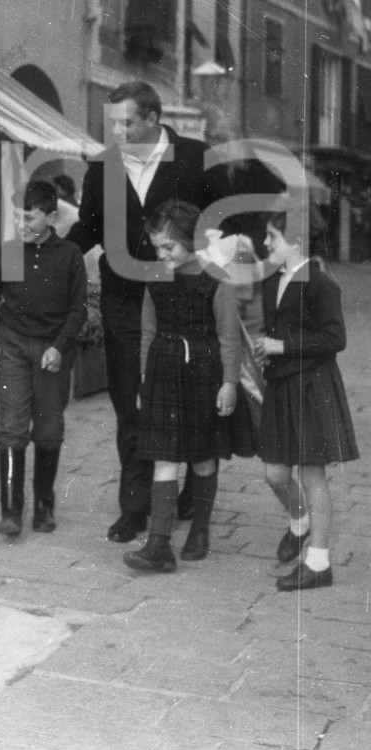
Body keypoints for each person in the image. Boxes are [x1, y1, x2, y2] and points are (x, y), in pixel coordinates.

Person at [66, 81, 216, 543]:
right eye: (113, 123)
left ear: (153, 119)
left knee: (189, 399)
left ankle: (191, 489)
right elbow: (88, 228)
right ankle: (135, 504)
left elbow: (222, 227)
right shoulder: (102, 167)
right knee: (130, 399)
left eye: (127, 122)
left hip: (185, 302)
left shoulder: (196, 159)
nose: (118, 132)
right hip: (125, 302)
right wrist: (52, 257)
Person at [122, 201, 240, 573]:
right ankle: (158, 544)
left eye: (168, 247)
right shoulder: (156, 279)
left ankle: (200, 530)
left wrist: (229, 383)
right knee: (164, 455)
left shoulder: (216, 279)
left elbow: (228, 337)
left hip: (203, 373)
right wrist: (144, 379)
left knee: (203, 456)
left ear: (190, 239)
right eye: (157, 247)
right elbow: (147, 332)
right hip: (163, 371)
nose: (162, 254)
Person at [254, 203, 359, 591]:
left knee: (312, 473)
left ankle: (319, 562)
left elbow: (336, 339)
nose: (265, 243)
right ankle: (299, 522)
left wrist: (281, 346)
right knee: (274, 472)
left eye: (272, 237)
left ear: (296, 240)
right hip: (283, 385)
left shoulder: (321, 283)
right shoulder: (272, 281)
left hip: (314, 387)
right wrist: (268, 349)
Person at [0, 179, 87, 536]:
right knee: (11, 427)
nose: (23, 226)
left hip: (51, 352)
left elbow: (78, 310)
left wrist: (59, 346)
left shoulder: (69, 255)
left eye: (31, 218)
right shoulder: (8, 253)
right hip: (12, 346)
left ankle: (44, 505)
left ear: (52, 217)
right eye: (18, 218)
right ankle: (11, 510)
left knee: (48, 431)